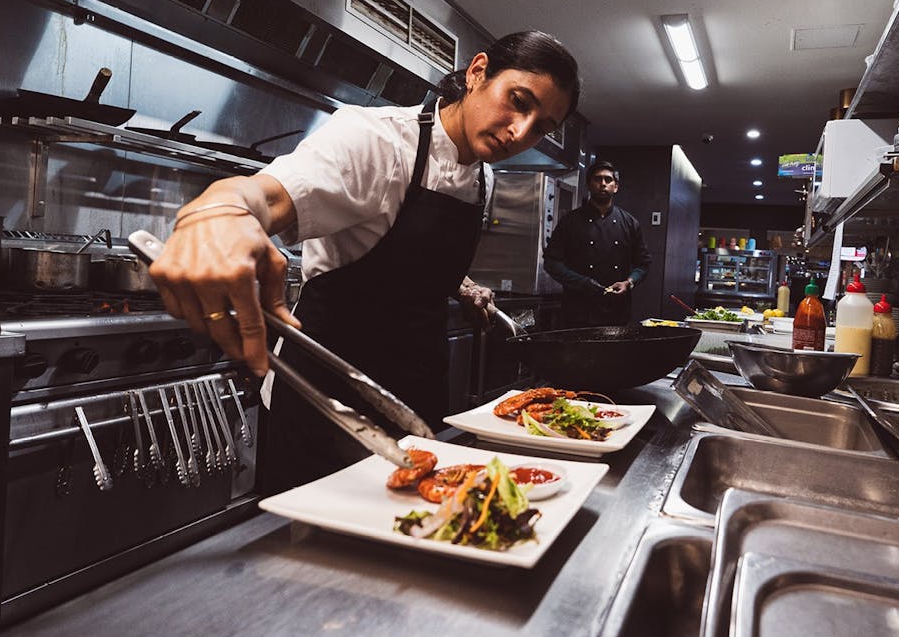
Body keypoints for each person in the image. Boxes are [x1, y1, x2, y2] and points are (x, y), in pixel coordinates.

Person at [148, 31, 581, 491]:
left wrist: (461, 284)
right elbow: (269, 194)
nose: (520, 132)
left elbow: (413, 255)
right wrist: (225, 209)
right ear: (477, 73)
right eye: (518, 101)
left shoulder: (483, 179)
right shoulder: (376, 139)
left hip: (414, 396)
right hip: (325, 399)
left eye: (541, 127)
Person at [543, 159, 651, 328]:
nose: (603, 184)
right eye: (597, 179)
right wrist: (581, 282)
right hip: (577, 311)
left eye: (608, 180)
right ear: (589, 185)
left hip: (617, 313)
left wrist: (629, 282)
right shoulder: (570, 221)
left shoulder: (630, 223)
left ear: (616, 187)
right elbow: (551, 262)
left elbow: (643, 264)